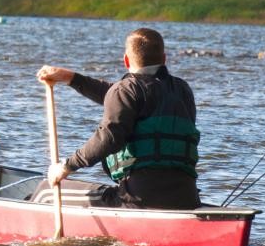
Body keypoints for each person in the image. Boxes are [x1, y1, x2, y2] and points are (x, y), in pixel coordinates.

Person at [36, 27, 201, 210]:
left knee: (45, 192)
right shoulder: (183, 90)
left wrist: (66, 166)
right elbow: (121, 96)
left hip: (137, 199)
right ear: (164, 59)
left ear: (126, 60)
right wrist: (70, 78)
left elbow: (109, 138)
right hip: (187, 199)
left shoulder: (126, 90)